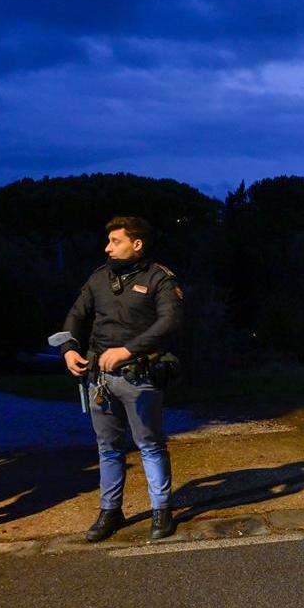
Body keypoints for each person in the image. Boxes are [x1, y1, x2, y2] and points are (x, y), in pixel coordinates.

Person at [60, 216, 183, 542]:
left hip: (139, 376)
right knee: (108, 448)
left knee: (150, 445)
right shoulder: (99, 278)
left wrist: (128, 350)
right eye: (108, 241)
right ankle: (110, 511)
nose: (108, 247)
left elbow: (170, 322)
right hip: (99, 380)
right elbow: (76, 315)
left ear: (136, 244)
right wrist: (69, 348)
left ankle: (161, 510)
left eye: (116, 241)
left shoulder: (159, 278)